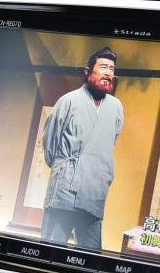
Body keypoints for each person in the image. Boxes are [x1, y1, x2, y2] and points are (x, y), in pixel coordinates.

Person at [41, 47, 124, 250]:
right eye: (103, 67)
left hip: (95, 192)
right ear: (88, 71)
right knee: (50, 251)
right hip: (64, 191)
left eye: (112, 69)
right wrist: (67, 170)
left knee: (90, 256)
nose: (108, 73)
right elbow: (50, 146)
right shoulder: (68, 101)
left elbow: (109, 143)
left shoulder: (116, 107)